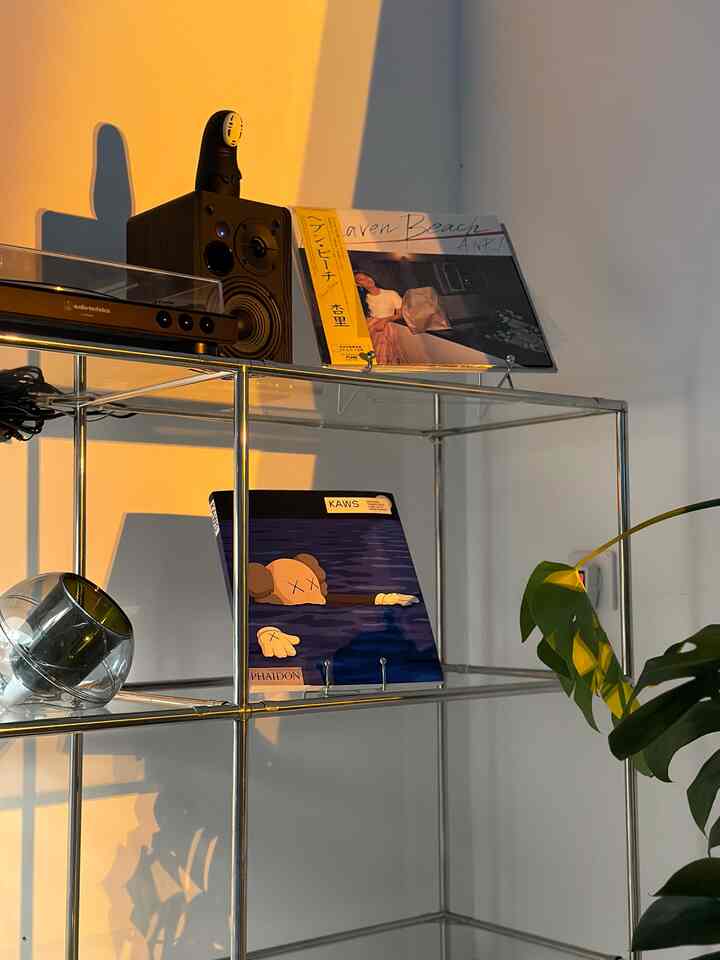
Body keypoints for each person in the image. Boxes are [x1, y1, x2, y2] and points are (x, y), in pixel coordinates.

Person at [353, 270, 408, 364]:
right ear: (358, 285)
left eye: (367, 276)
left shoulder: (391, 293)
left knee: (383, 356)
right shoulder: (363, 299)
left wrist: (385, 320)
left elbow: (401, 314)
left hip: (385, 328)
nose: (367, 280)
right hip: (369, 328)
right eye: (361, 280)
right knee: (369, 355)